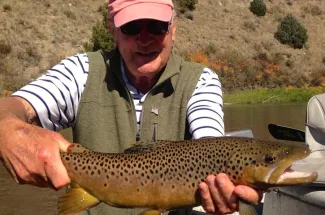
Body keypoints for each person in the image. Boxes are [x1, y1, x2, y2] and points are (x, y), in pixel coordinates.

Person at [0, 0, 261, 214]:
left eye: (157, 26)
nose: (145, 39)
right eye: (132, 27)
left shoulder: (201, 80)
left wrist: (227, 184)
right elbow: (12, 107)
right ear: (113, 30)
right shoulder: (81, 72)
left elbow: (212, 144)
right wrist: (7, 128)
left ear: (173, 29)